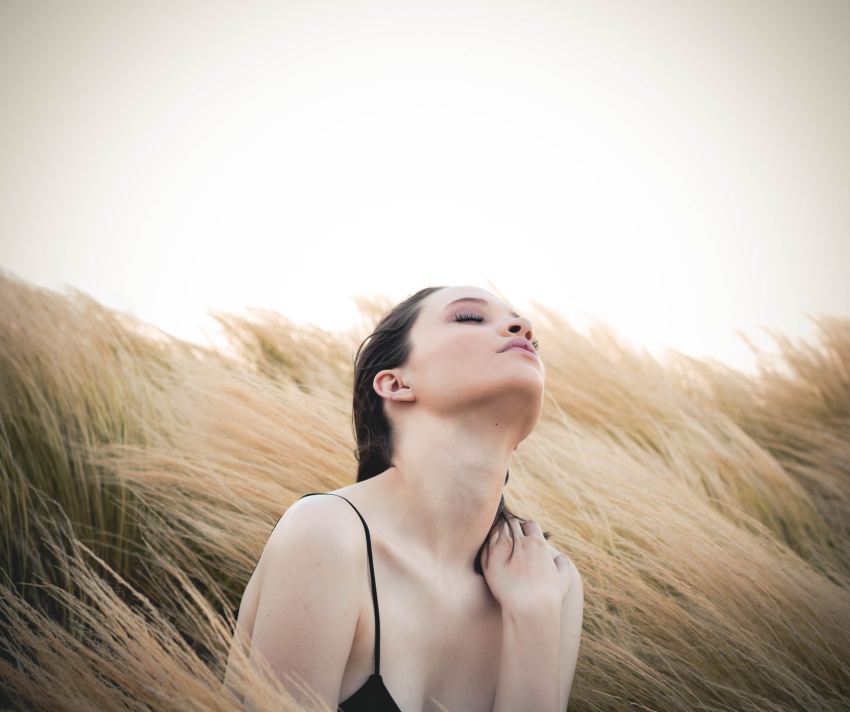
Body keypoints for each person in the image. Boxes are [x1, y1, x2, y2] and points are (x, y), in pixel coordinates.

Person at [225, 285, 583, 712]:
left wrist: (534, 617)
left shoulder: (553, 582)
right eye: (469, 317)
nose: (523, 327)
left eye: (531, 336)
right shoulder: (327, 535)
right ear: (396, 384)